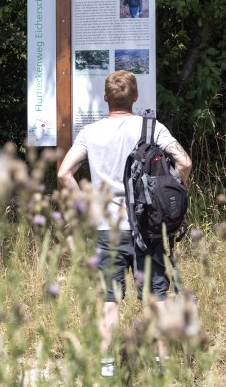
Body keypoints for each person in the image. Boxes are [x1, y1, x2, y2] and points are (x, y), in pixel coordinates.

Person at [57, 70, 192, 378]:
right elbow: (184, 162)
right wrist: (171, 200)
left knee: (109, 302)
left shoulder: (90, 133)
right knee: (155, 299)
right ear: (135, 97)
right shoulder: (151, 128)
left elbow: (65, 173)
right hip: (149, 227)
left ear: (105, 98)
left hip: (107, 228)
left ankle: (107, 371)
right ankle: (162, 366)